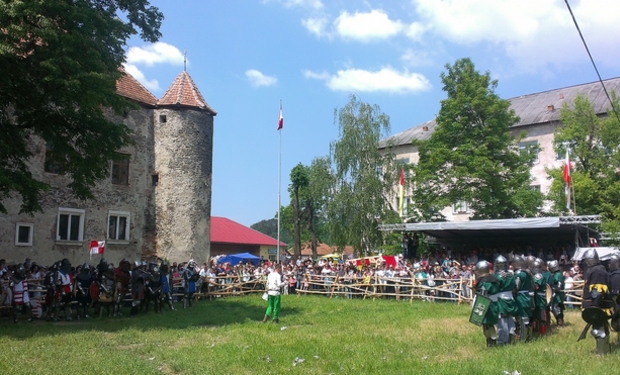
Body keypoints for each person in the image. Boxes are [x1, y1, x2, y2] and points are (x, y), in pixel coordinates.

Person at [473, 260, 501, 347]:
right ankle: (490, 341)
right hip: (495, 304)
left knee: (488, 324)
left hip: (487, 305)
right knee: (487, 324)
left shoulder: (484, 281)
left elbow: (482, 295)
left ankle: (492, 340)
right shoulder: (494, 279)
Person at [548, 260, 565, 326]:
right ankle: (560, 322)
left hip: (558, 294)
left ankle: (560, 322)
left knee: (556, 308)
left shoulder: (558, 275)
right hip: (557, 294)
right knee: (556, 308)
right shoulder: (557, 274)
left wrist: (553, 289)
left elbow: (559, 286)